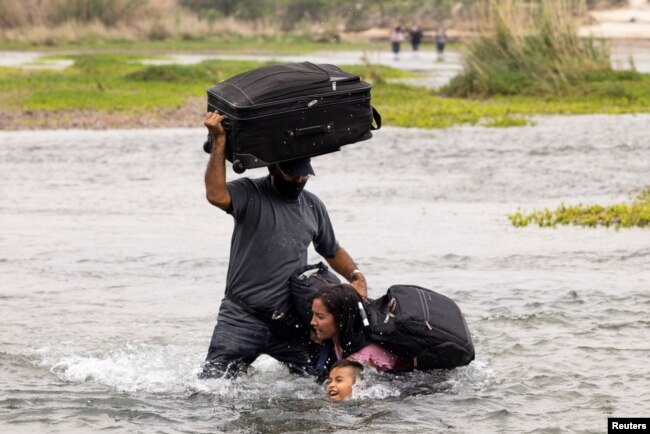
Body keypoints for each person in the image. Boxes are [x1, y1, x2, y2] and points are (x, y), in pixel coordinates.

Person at [200, 111, 368, 379]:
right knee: (210, 388)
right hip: (241, 317)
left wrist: (356, 276)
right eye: (292, 175)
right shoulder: (250, 193)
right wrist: (219, 139)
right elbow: (215, 194)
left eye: (304, 175)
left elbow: (331, 249)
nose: (299, 180)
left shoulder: (312, 205)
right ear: (273, 168)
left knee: (321, 384)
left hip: (291, 322)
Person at [310, 283, 413, 373]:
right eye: (313, 314)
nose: (312, 322)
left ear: (341, 319)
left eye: (320, 317)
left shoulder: (360, 360)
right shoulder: (354, 319)